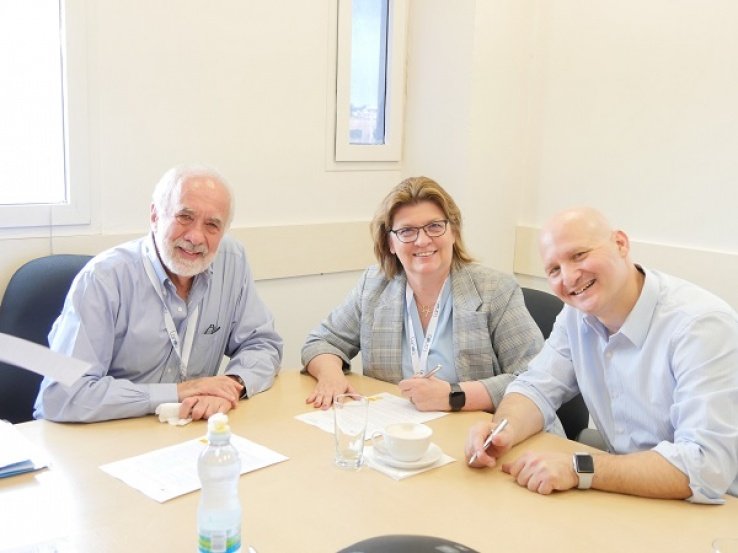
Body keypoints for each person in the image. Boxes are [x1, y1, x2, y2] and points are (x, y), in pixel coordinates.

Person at [465, 207, 738, 503]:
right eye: (554, 270)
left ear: (621, 244)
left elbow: (705, 466)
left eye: (579, 255)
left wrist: (578, 468)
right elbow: (535, 387)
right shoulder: (576, 314)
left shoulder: (700, 326)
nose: (568, 277)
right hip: (627, 495)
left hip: (711, 509)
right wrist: (502, 430)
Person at [34, 165, 283, 423]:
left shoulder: (232, 261)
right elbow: (62, 396)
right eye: (184, 217)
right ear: (155, 216)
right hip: (109, 434)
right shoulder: (103, 279)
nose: (196, 237)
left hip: (188, 430)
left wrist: (231, 385)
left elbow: (262, 343)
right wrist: (177, 392)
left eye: (212, 225)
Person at [301, 176, 543, 413]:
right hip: (400, 434)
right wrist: (331, 376)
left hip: (481, 433)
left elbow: (536, 379)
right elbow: (321, 342)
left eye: (435, 227)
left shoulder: (495, 290)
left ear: (454, 232)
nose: (423, 240)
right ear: (390, 243)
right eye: (407, 231)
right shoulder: (373, 287)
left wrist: (455, 396)